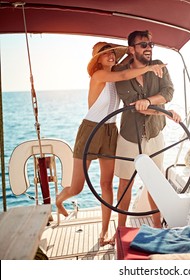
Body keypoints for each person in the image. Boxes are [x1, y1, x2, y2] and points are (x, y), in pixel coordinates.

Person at [55, 41, 166, 247]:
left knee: (106, 185)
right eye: (105, 54)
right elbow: (124, 75)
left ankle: (104, 232)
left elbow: (127, 67)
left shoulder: (116, 73)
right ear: (96, 59)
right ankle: (59, 200)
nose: (111, 56)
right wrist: (150, 66)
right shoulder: (98, 76)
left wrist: (139, 52)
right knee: (77, 187)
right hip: (90, 130)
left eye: (113, 53)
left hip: (110, 131)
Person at [114, 30, 181, 229]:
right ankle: (121, 229)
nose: (149, 48)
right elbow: (133, 103)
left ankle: (157, 227)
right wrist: (164, 112)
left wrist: (149, 101)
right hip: (129, 136)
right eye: (143, 45)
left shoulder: (159, 65)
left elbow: (168, 92)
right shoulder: (121, 72)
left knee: (155, 182)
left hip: (154, 134)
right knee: (126, 185)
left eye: (151, 44)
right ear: (131, 49)